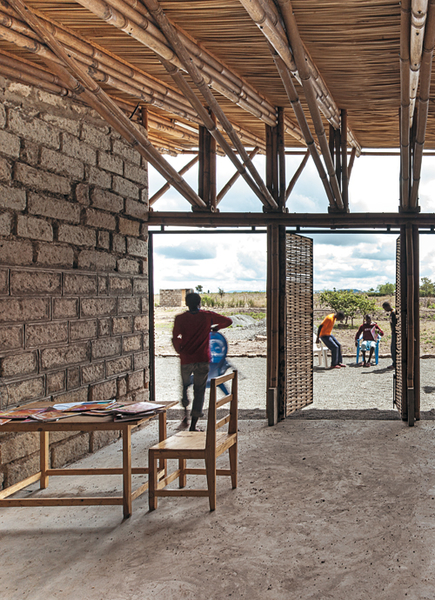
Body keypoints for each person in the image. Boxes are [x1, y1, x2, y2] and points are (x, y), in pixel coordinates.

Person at [172, 292, 232, 431]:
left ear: (186, 304)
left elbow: (175, 337)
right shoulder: (207, 316)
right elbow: (228, 321)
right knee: (199, 391)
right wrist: (216, 328)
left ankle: (185, 415)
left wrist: (180, 350)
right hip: (202, 358)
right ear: (199, 303)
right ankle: (193, 425)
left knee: (185, 385)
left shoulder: (180, 318)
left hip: (186, 359)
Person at [382, 301, 397, 370]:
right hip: (394, 333)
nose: (384, 310)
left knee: (393, 348)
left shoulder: (393, 313)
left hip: (395, 333)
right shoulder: (392, 312)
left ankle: (395, 364)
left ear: (387, 306)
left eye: (384, 308)